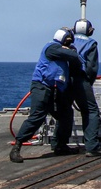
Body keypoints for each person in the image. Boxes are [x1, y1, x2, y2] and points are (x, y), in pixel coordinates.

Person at [9, 27, 82, 163]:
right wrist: (71, 51)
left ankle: (60, 145)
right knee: (37, 117)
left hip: (56, 90)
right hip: (42, 87)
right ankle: (17, 147)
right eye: (69, 41)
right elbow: (73, 56)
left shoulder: (62, 51)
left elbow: (75, 59)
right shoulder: (52, 47)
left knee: (66, 115)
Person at [72, 18, 101, 156]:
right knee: (91, 111)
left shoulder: (68, 40)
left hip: (64, 79)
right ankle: (92, 147)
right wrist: (88, 82)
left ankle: (58, 144)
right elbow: (91, 67)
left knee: (64, 110)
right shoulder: (91, 43)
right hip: (80, 79)